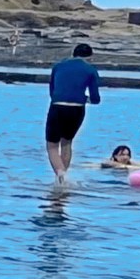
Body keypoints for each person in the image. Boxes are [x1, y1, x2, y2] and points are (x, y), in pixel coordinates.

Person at [44, 43, 101, 180]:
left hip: (58, 106)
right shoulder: (91, 70)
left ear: (73, 54)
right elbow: (95, 98)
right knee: (67, 142)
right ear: (90, 57)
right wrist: (85, 99)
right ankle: (64, 175)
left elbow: (52, 91)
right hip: (77, 108)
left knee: (52, 146)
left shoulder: (58, 66)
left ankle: (60, 174)